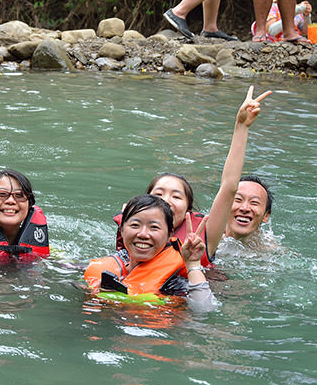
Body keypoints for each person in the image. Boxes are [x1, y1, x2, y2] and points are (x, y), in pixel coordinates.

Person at [116, 85, 271, 269]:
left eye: (176, 196)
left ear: (188, 210)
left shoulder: (203, 239)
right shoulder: (133, 232)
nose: (166, 201)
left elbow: (229, 187)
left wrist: (241, 127)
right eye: (159, 195)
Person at [84, 194, 214, 305]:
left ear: (169, 235)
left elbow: (204, 309)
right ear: (122, 230)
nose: (143, 234)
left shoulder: (172, 284)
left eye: (154, 227)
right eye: (135, 225)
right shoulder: (119, 258)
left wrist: (193, 264)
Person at [225, 175, 273, 242]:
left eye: (254, 202)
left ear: (266, 215)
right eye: (238, 199)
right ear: (223, 206)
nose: (245, 208)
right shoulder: (206, 236)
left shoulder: (270, 250)